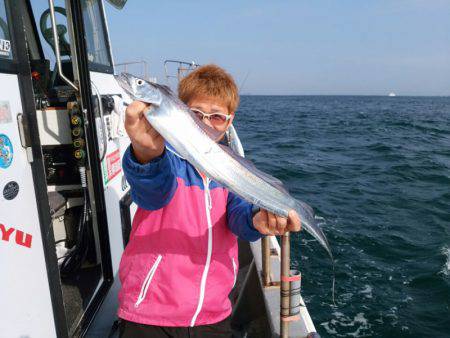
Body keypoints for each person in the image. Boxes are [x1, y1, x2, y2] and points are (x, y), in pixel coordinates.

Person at [118, 64, 301, 338]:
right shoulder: (165, 158)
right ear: (179, 112)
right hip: (150, 312)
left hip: (213, 314)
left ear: (229, 122)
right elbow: (152, 194)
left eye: (216, 117)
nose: (205, 123)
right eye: (196, 114)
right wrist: (146, 154)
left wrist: (256, 219)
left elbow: (238, 218)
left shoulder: (229, 168)